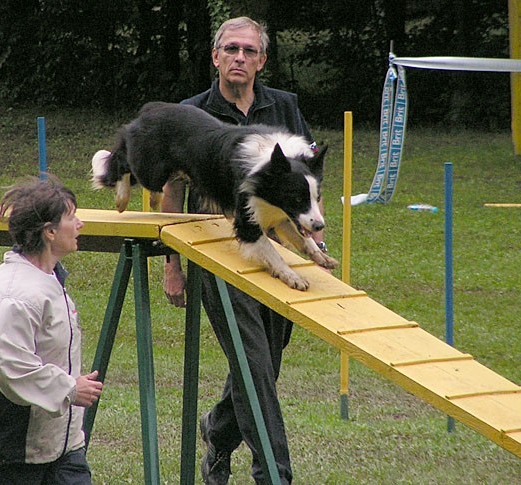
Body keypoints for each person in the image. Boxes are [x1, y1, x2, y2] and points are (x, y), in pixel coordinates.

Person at [162, 16, 328, 485]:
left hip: (283, 253)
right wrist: (172, 264)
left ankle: (217, 428)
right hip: (220, 254)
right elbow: (170, 192)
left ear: (262, 61)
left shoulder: (286, 108)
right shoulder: (190, 112)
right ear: (215, 56)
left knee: (267, 364)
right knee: (253, 364)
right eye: (230, 49)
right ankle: (274, 475)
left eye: (249, 51)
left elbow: (308, 181)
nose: (239, 57)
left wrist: (313, 239)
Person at [0, 176, 103, 485]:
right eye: (71, 217)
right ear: (50, 232)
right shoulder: (11, 296)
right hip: (11, 456)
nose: (80, 224)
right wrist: (69, 389)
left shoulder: (49, 280)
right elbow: (12, 368)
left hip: (62, 451)